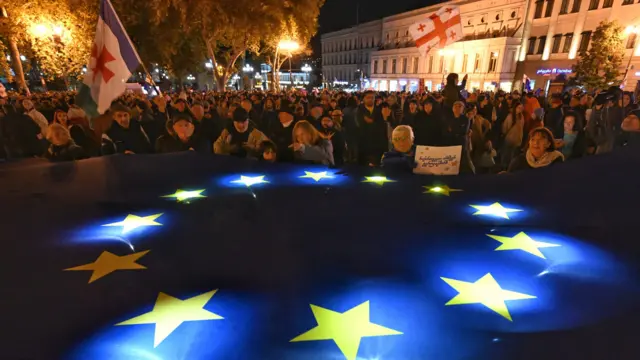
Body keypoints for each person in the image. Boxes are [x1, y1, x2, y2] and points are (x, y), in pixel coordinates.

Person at [356, 91, 389, 166]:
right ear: (363, 99)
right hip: (363, 141)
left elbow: (381, 125)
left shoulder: (379, 110)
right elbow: (359, 124)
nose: (370, 99)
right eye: (368, 98)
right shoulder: (359, 110)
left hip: (376, 142)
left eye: (372, 98)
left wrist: (371, 122)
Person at [501, 102, 525, 168]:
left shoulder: (521, 116)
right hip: (509, 139)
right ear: (515, 108)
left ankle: (509, 167)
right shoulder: (510, 116)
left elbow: (522, 128)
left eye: (521, 108)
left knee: (513, 155)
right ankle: (503, 166)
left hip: (517, 139)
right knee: (506, 153)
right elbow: (505, 127)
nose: (520, 109)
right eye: (518, 108)